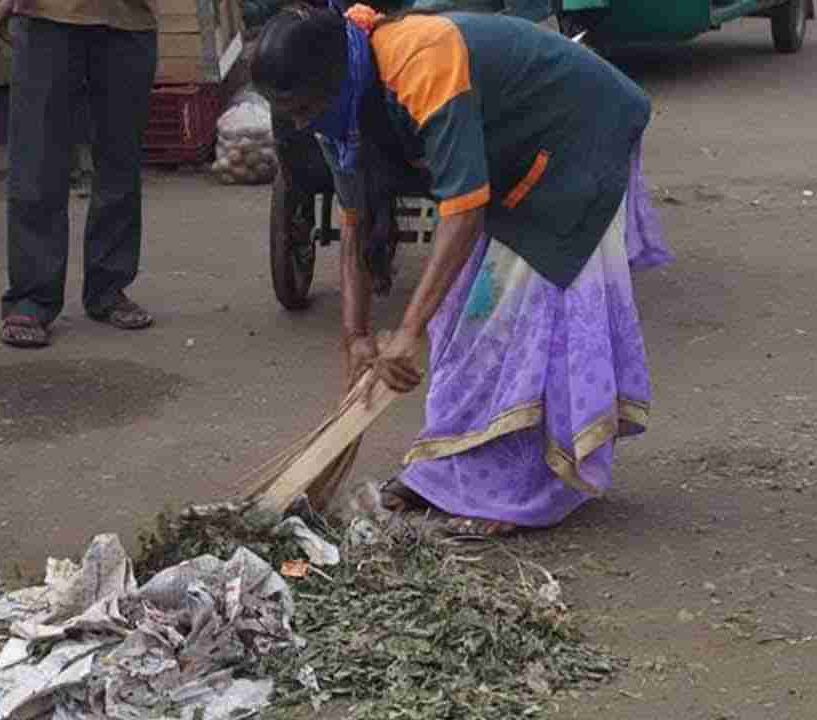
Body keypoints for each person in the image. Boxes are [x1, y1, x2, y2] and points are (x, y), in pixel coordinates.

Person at [251, 4, 672, 536]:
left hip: (576, 133)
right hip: (512, 154)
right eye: (286, 110)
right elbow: (353, 227)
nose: (297, 121)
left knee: (522, 322)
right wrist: (355, 337)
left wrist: (405, 333)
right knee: (460, 324)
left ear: (332, 80)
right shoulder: (334, 116)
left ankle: (525, 492)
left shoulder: (421, 60)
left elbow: (464, 209)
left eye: (301, 106)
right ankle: (447, 470)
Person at [0, 0, 158, 348]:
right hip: (48, 14)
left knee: (119, 159)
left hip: (130, 19)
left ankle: (108, 289)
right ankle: (32, 299)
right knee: (38, 159)